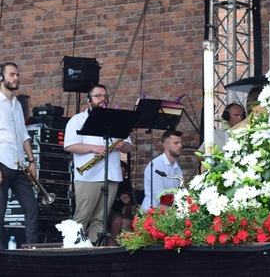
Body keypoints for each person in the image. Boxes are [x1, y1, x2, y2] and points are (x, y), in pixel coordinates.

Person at [0, 62, 40, 249]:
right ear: (1, 78)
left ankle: (32, 249)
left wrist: (31, 161)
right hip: (2, 163)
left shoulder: (17, 104)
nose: (16, 78)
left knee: (31, 207)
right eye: (12, 75)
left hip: (20, 165)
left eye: (17, 74)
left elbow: (23, 135)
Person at [64, 84, 133, 243]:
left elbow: (129, 146)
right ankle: (70, 250)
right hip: (88, 176)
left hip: (112, 176)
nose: (103, 99)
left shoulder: (117, 120)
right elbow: (69, 145)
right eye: (98, 96)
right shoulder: (78, 120)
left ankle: (94, 251)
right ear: (88, 100)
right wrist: (94, 148)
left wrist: (124, 146)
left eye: (105, 96)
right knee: (82, 218)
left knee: (101, 220)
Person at [142, 129, 184, 210]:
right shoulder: (156, 166)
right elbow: (160, 198)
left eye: (181, 143)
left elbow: (182, 191)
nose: (180, 146)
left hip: (168, 213)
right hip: (152, 214)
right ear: (166, 145)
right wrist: (181, 200)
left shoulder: (177, 168)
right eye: (176, 143)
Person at [107, 161, 135, 246]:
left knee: (125, 222)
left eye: (122, 175)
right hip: (103, 211)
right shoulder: (105, 182)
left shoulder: (125, 184)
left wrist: (128, 203)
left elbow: (127, 214)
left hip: (118, 214)